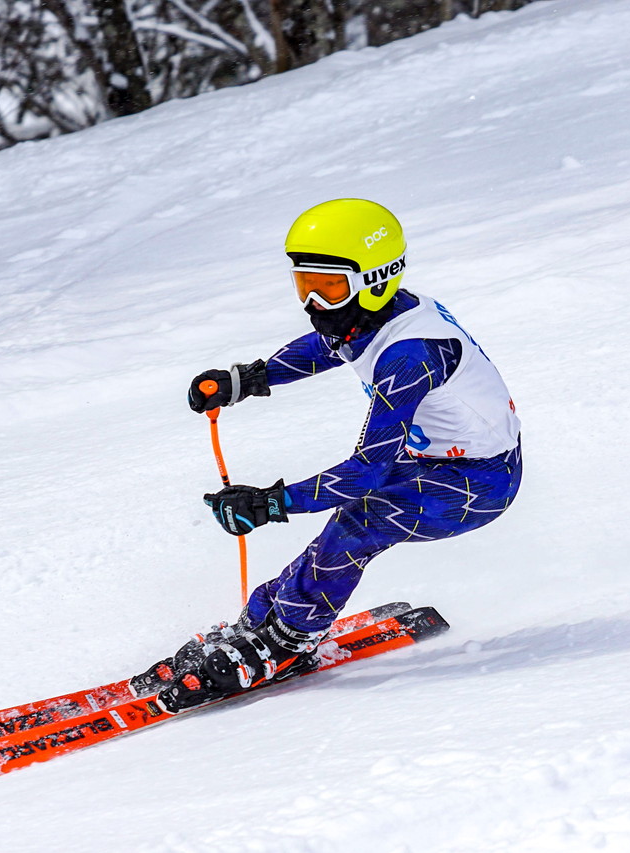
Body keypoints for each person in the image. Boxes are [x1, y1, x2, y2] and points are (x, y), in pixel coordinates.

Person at [133, 198, 523, 712]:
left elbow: (365, 471)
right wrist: (250, 377)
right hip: (438, 461)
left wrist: (272, 503)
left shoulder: (412, 354)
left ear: (376, 278)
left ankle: (288, 641)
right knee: (352, 524)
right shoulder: (371, 315)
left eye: (330, 285)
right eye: (304, 283)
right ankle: (265, 618)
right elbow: (329, 344)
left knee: (360, 522)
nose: (314, 300)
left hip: (480, 482)